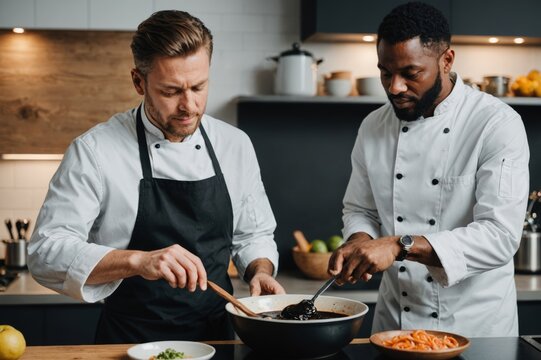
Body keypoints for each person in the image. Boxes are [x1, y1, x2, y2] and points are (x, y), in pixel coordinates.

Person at [28, 10, 285, 344]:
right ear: (139, 81)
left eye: (199, 86)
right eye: (171, 91)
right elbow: (46, 252)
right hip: (128, 339)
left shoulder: (234, 145)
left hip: (216, 339)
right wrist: (138, 260)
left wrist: (260, 271)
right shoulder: (95, 150)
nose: (189, 105)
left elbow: (254, 233)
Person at [329, 2, 529, 337]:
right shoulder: (373, 126)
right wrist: (360, 241)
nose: (394, 87)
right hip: (395, 324)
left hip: (474, 328)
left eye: (411, 74)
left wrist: (398, 245)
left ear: (446, 60)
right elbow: (360, 207)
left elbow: (500, 236)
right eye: (385, 72)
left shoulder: (495, 123)